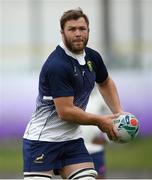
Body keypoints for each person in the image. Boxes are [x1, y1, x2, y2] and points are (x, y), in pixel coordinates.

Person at [23, 8, 124, 180]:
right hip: (42, 141)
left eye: (82, 29)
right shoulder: (57, 65)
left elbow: (105, 82)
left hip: (72, 141)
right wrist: (101, 121)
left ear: (88, 31)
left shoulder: (93, 57)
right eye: (72, 29)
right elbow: (65, 112)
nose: (78, 34)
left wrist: (118, 113)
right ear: (62, 33)